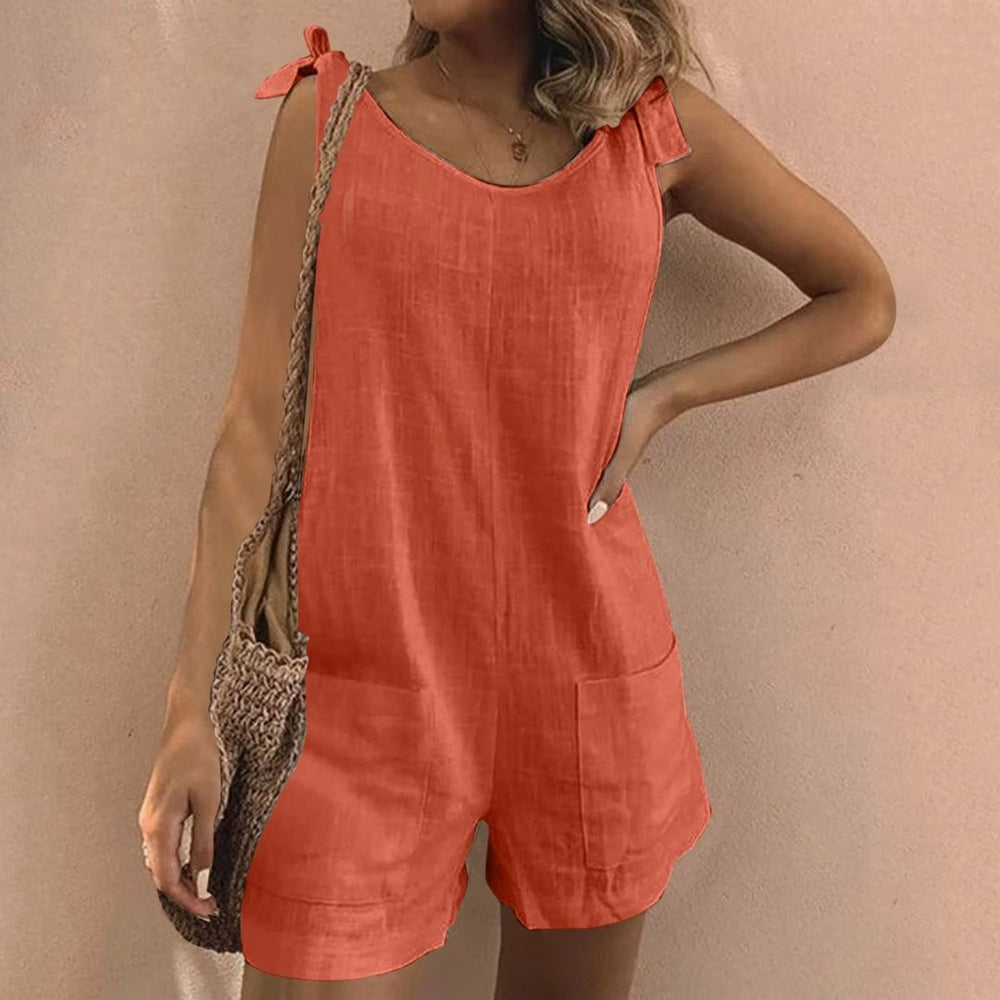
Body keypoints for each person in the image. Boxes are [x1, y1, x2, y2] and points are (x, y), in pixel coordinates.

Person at [137, 2, 896, 997]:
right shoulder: (328, 120)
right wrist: (188, 711)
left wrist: (664, 395)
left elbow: (859, 294)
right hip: (356, 701)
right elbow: (252, 431)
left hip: (589, 672)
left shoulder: (649, 130)